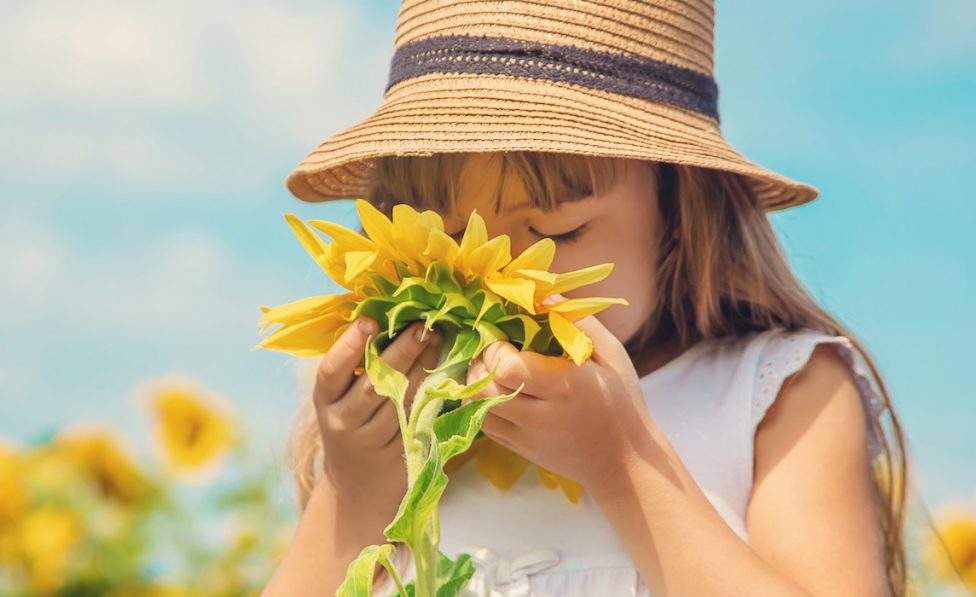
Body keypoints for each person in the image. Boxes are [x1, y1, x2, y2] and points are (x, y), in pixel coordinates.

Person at [263, 1, 910, 595]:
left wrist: (622, 462)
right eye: (450, 236)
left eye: (555, 232)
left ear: (680, 210)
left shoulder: (777, 394)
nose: (499, 274)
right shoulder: (394, 428)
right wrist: (354, 494)